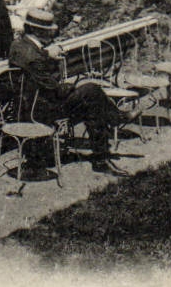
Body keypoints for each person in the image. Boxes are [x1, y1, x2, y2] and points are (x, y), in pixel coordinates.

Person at [8, 9, 132, 175]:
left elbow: (40, 73)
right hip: (38, 111)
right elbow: (56, 91)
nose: (52, 34)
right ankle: (108, 138)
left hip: (28, 104)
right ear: (37, 31)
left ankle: (106, 145)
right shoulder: (34, 57)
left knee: (92, 102)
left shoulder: (20, 45)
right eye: (48, 31)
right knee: (91, 92)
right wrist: (70, 86)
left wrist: (47, 55)